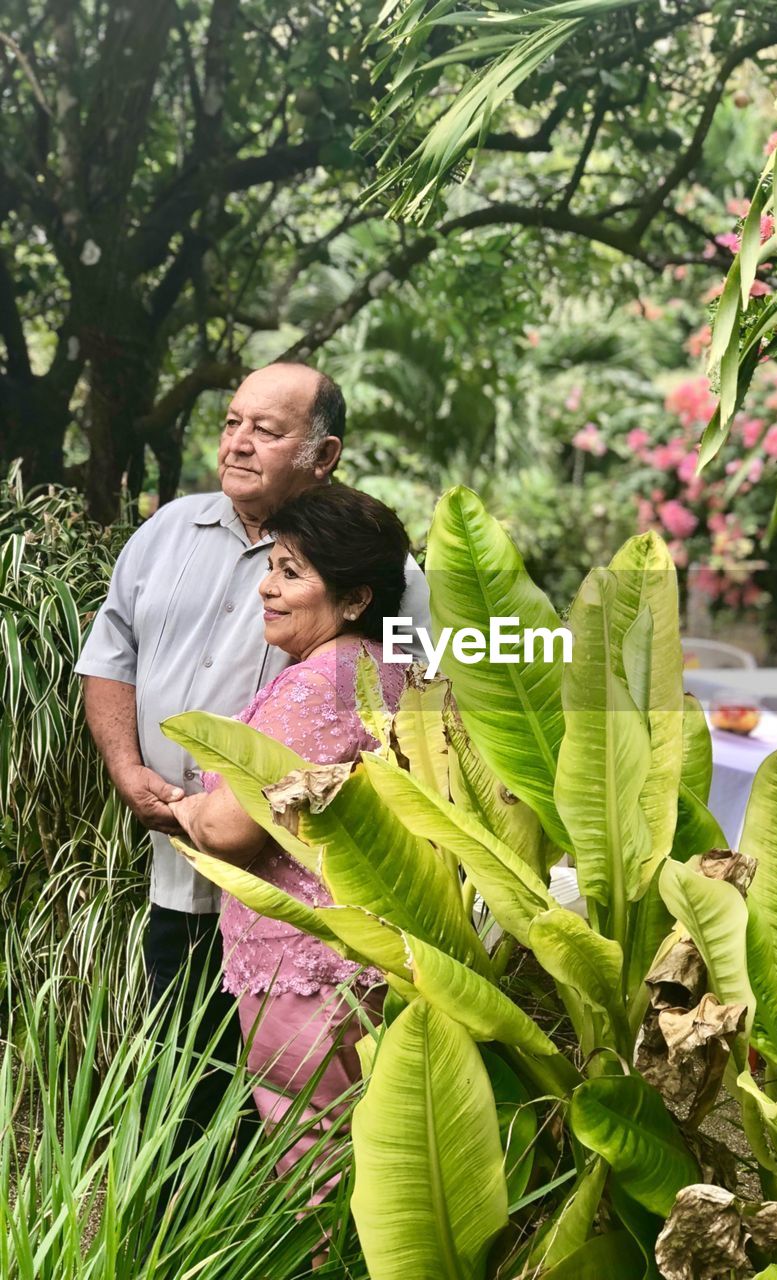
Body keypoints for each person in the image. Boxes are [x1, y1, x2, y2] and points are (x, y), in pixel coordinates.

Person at [75, 362, 429, 1136]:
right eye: (232, 422)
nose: (238, 443)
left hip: (310, 914)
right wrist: (127, 769)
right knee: (185, 1083)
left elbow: (416, 713)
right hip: (181, 870)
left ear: (323, 455)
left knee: (302, 1111)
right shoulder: (166, 530)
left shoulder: (386, 573)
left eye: (266, 431)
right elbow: (111, 656)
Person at [167, 485, 407, 1217]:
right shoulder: (390, 670)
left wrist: (179, 807)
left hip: (301, 965)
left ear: (356, 596)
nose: (268, 587)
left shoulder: (317, 686)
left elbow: (234, 830)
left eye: (293, 571)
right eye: (271, 566)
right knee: (380, 1160)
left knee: (316, 1165)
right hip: (373, 949)